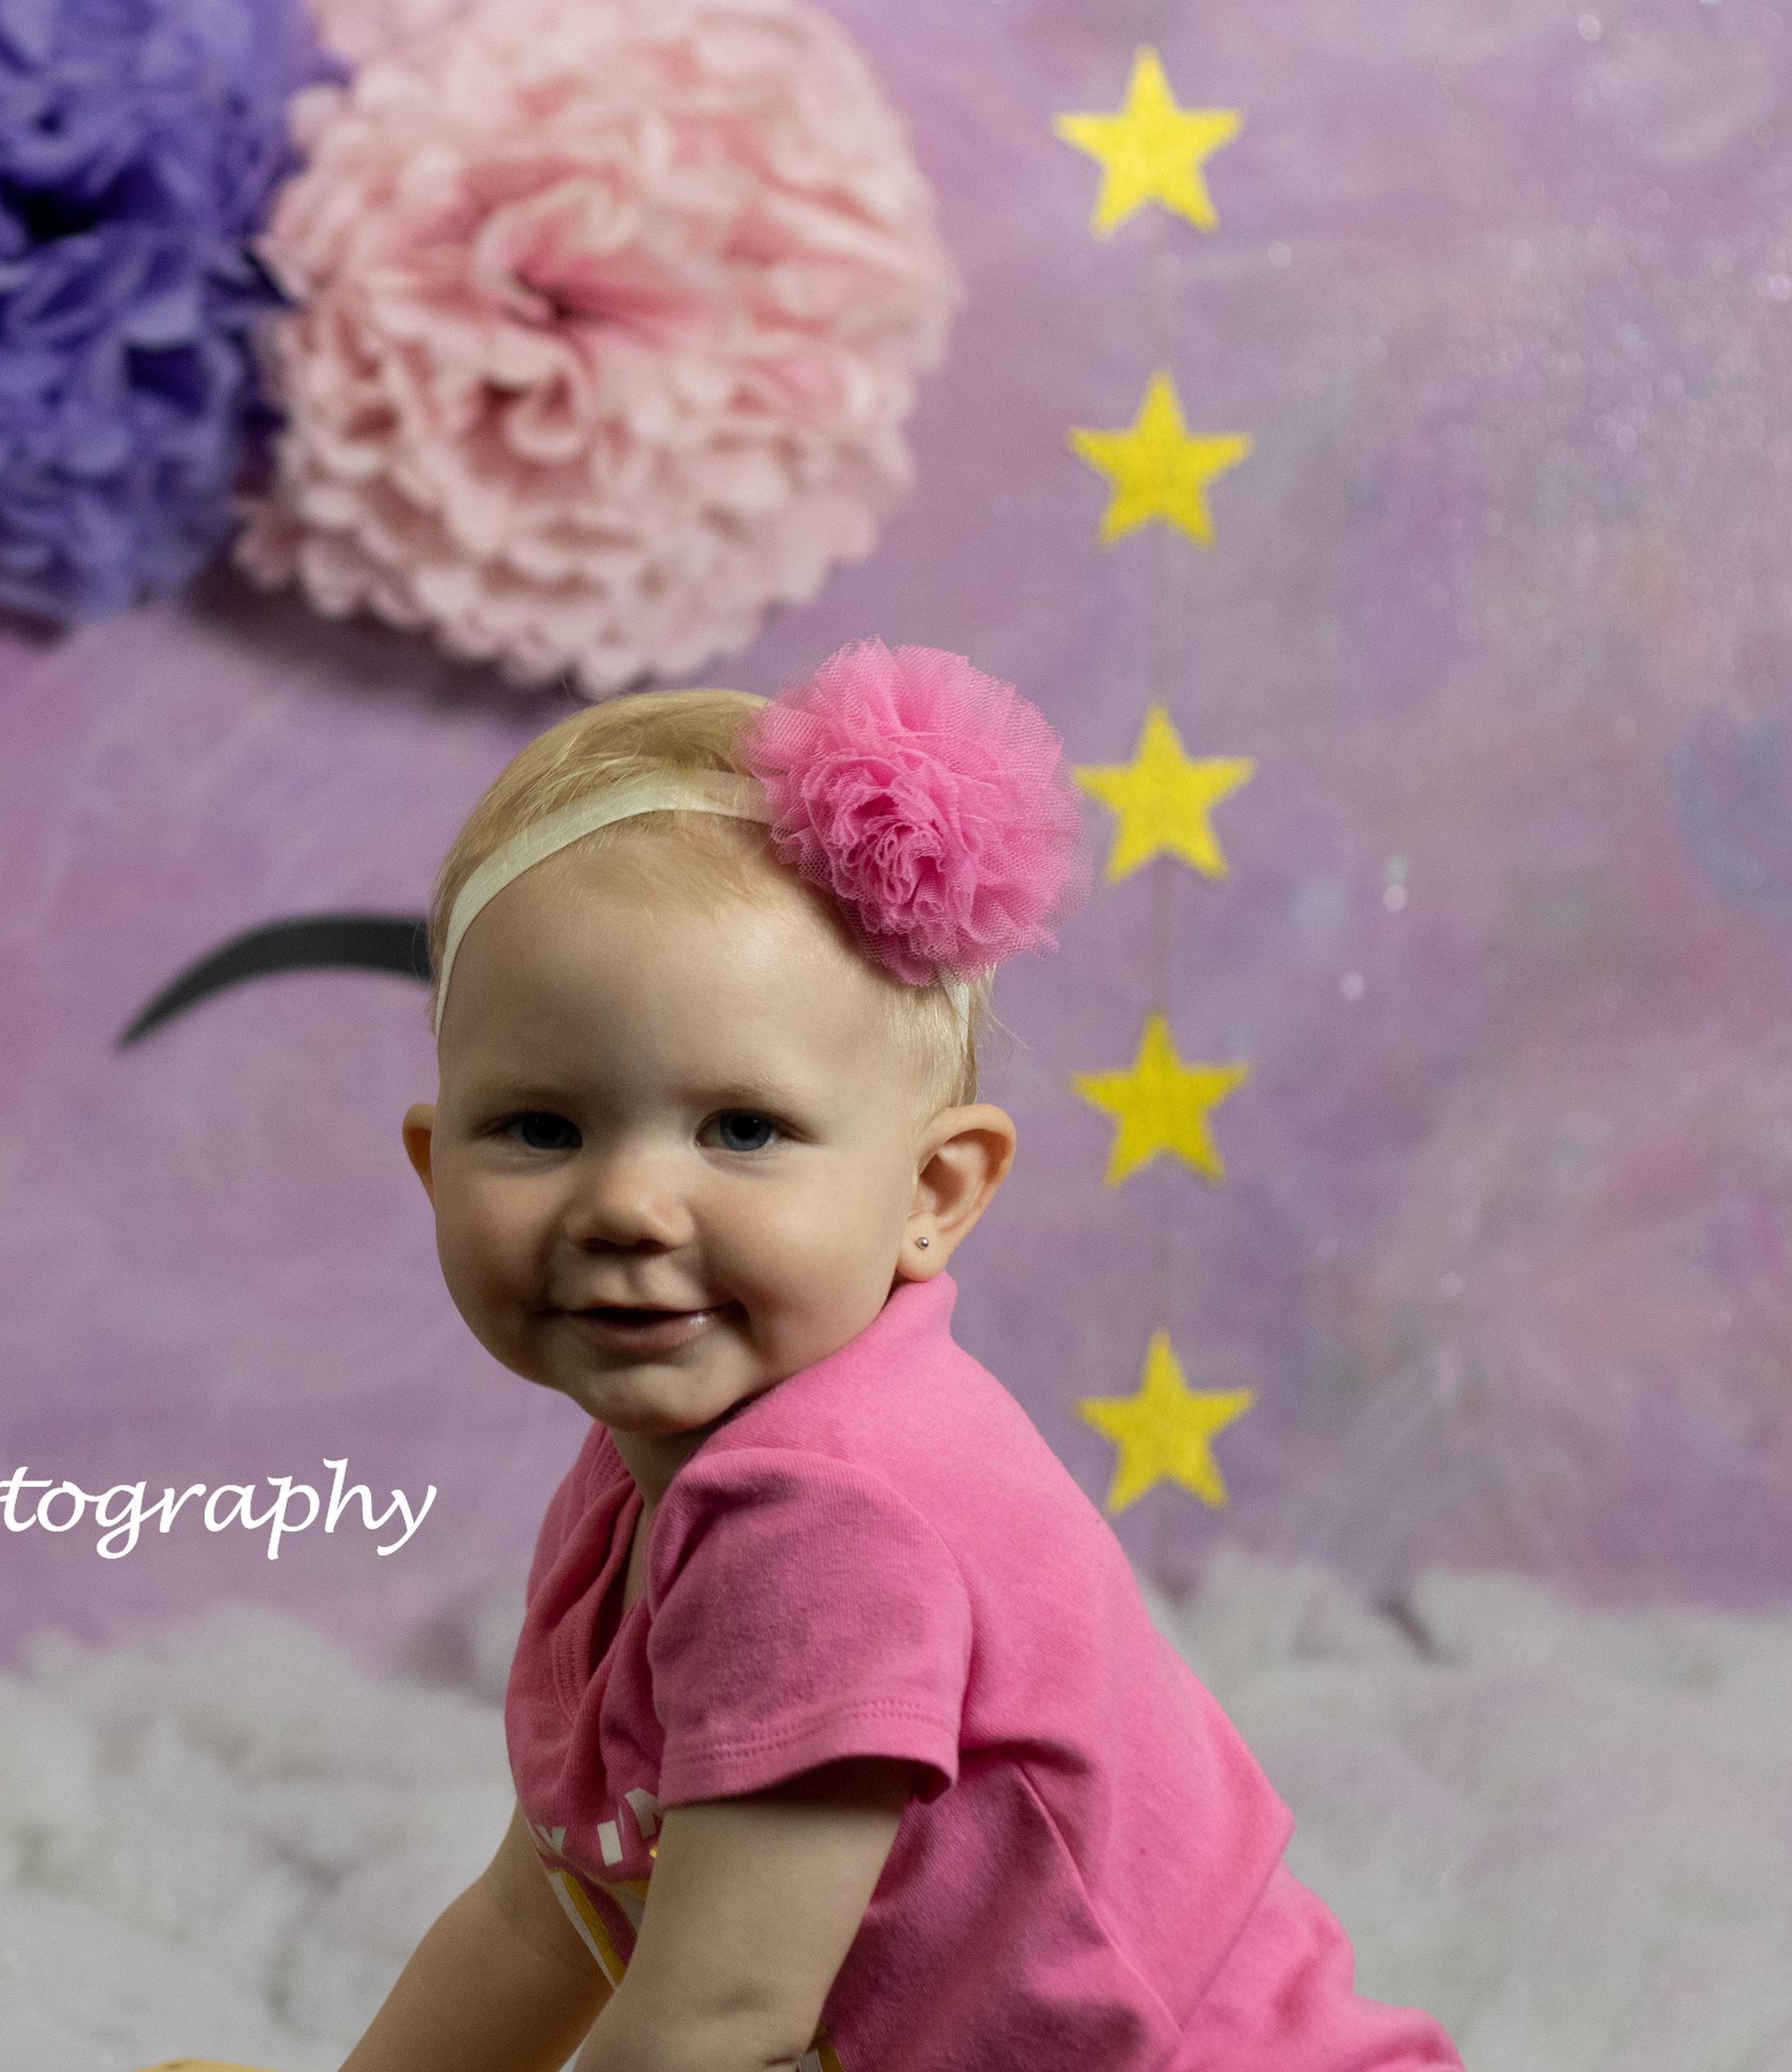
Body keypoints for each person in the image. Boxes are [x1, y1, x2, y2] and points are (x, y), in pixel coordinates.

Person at [347, 645, 1461, 2072]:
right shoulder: (643, 1479)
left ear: (933, 1191)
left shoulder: (826, 1511)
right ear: (435, 1166)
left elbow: (715, 2019)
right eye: (540, 1130)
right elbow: (544, 1913)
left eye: (743, 1129)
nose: (627, 1206)